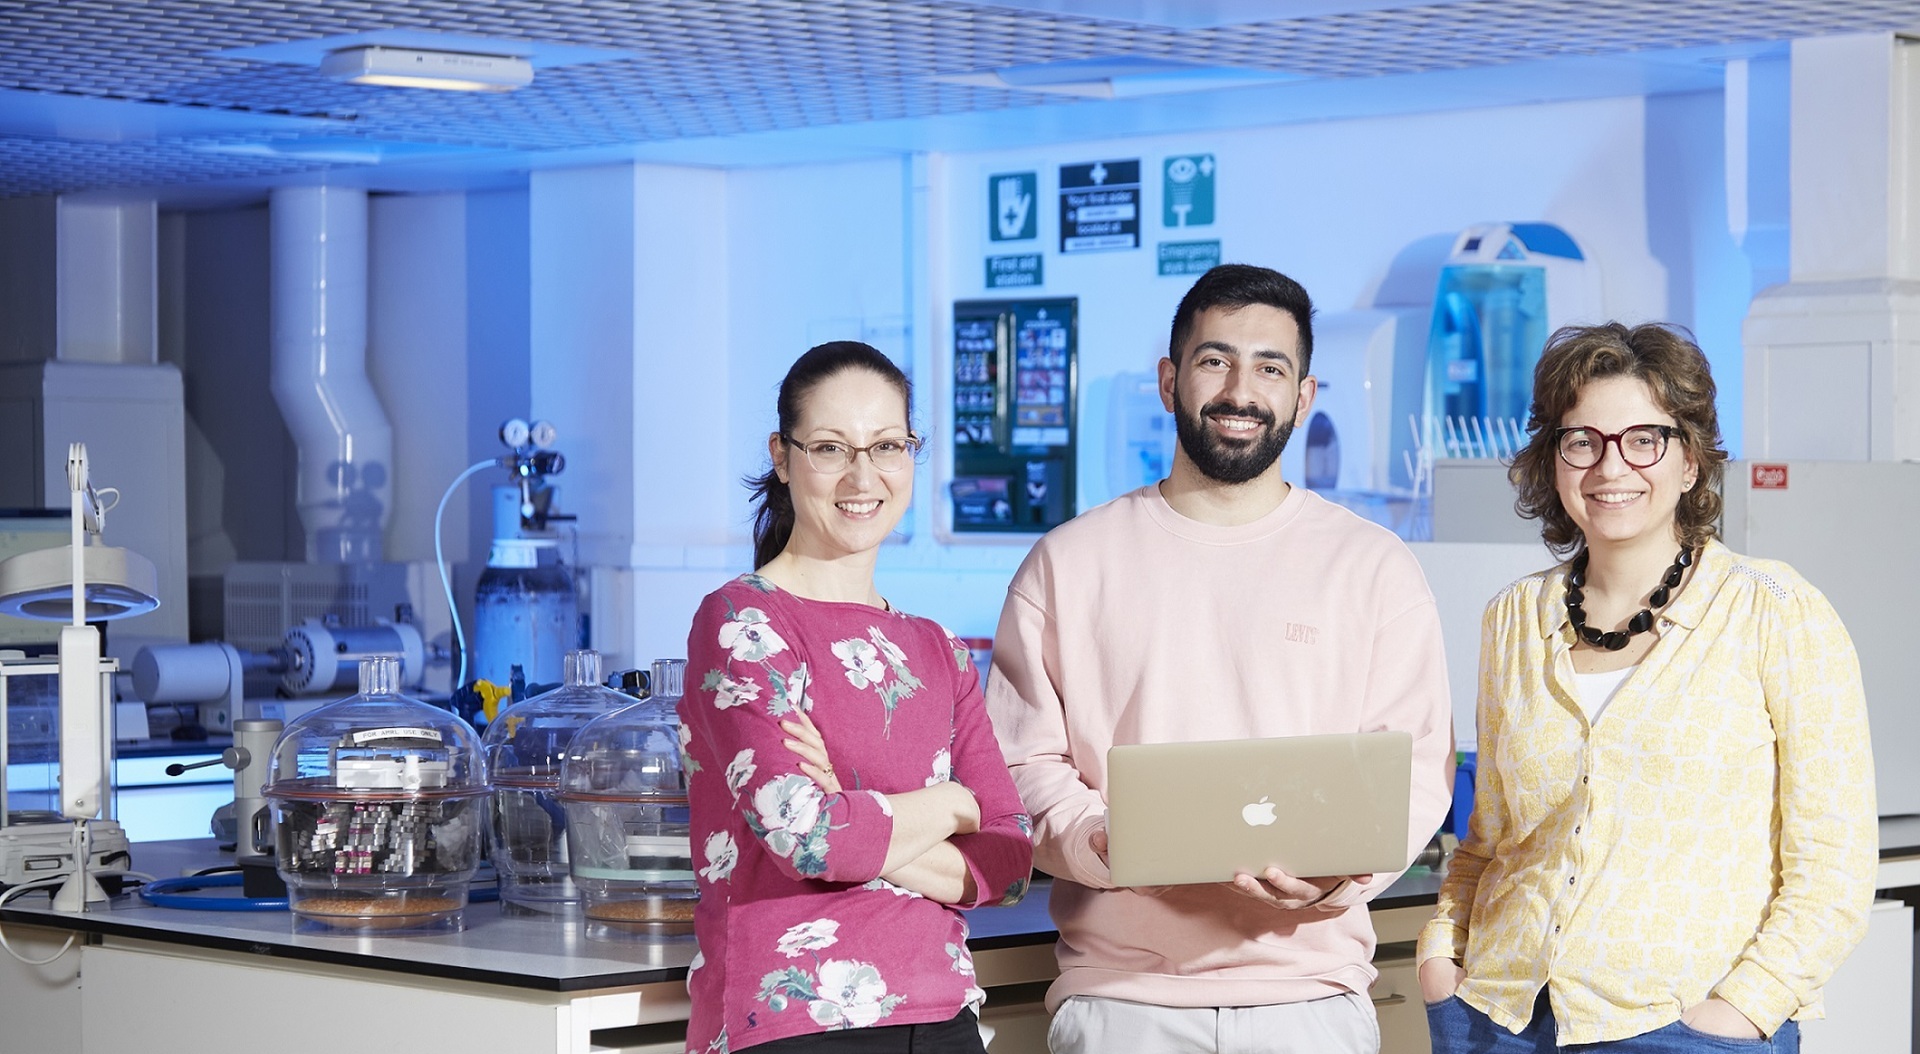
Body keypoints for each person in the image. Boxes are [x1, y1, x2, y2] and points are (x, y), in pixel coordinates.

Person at [987, 264, 1455, 1054]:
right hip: (1121, 1003)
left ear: (1304, 397)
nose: (1242, 389)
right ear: (1170, 380)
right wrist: (1101, 841)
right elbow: (1017, 761)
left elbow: (1414, 768)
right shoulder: (1068, 564)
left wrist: (1341, 876)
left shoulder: (1374, 568)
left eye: (1271, 367)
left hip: (1311, 1000)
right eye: (1215, 361)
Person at [1416, 322, 1877, 1052]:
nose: (1610, 466)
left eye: (1644, 439)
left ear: (1690, 460)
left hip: (1686, 1025)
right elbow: (1489, 841)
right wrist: (1442, 951)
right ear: (1554, 459)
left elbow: (1835, 866)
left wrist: (1742, 1011)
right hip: (1497, 1018)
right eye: (1582, 440)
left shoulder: (1776, 612)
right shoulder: (1512, 619)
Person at [679, 341, 1034, 1054]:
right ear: (782, 456)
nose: (862, 476)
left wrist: (844, 801)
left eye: (888, 446)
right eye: (832, 448)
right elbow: (806, 841)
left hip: (943, 1017)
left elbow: (1008, 859)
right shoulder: (743, 623)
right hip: (788, 1020)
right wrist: (949, 806)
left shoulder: (937, 649)